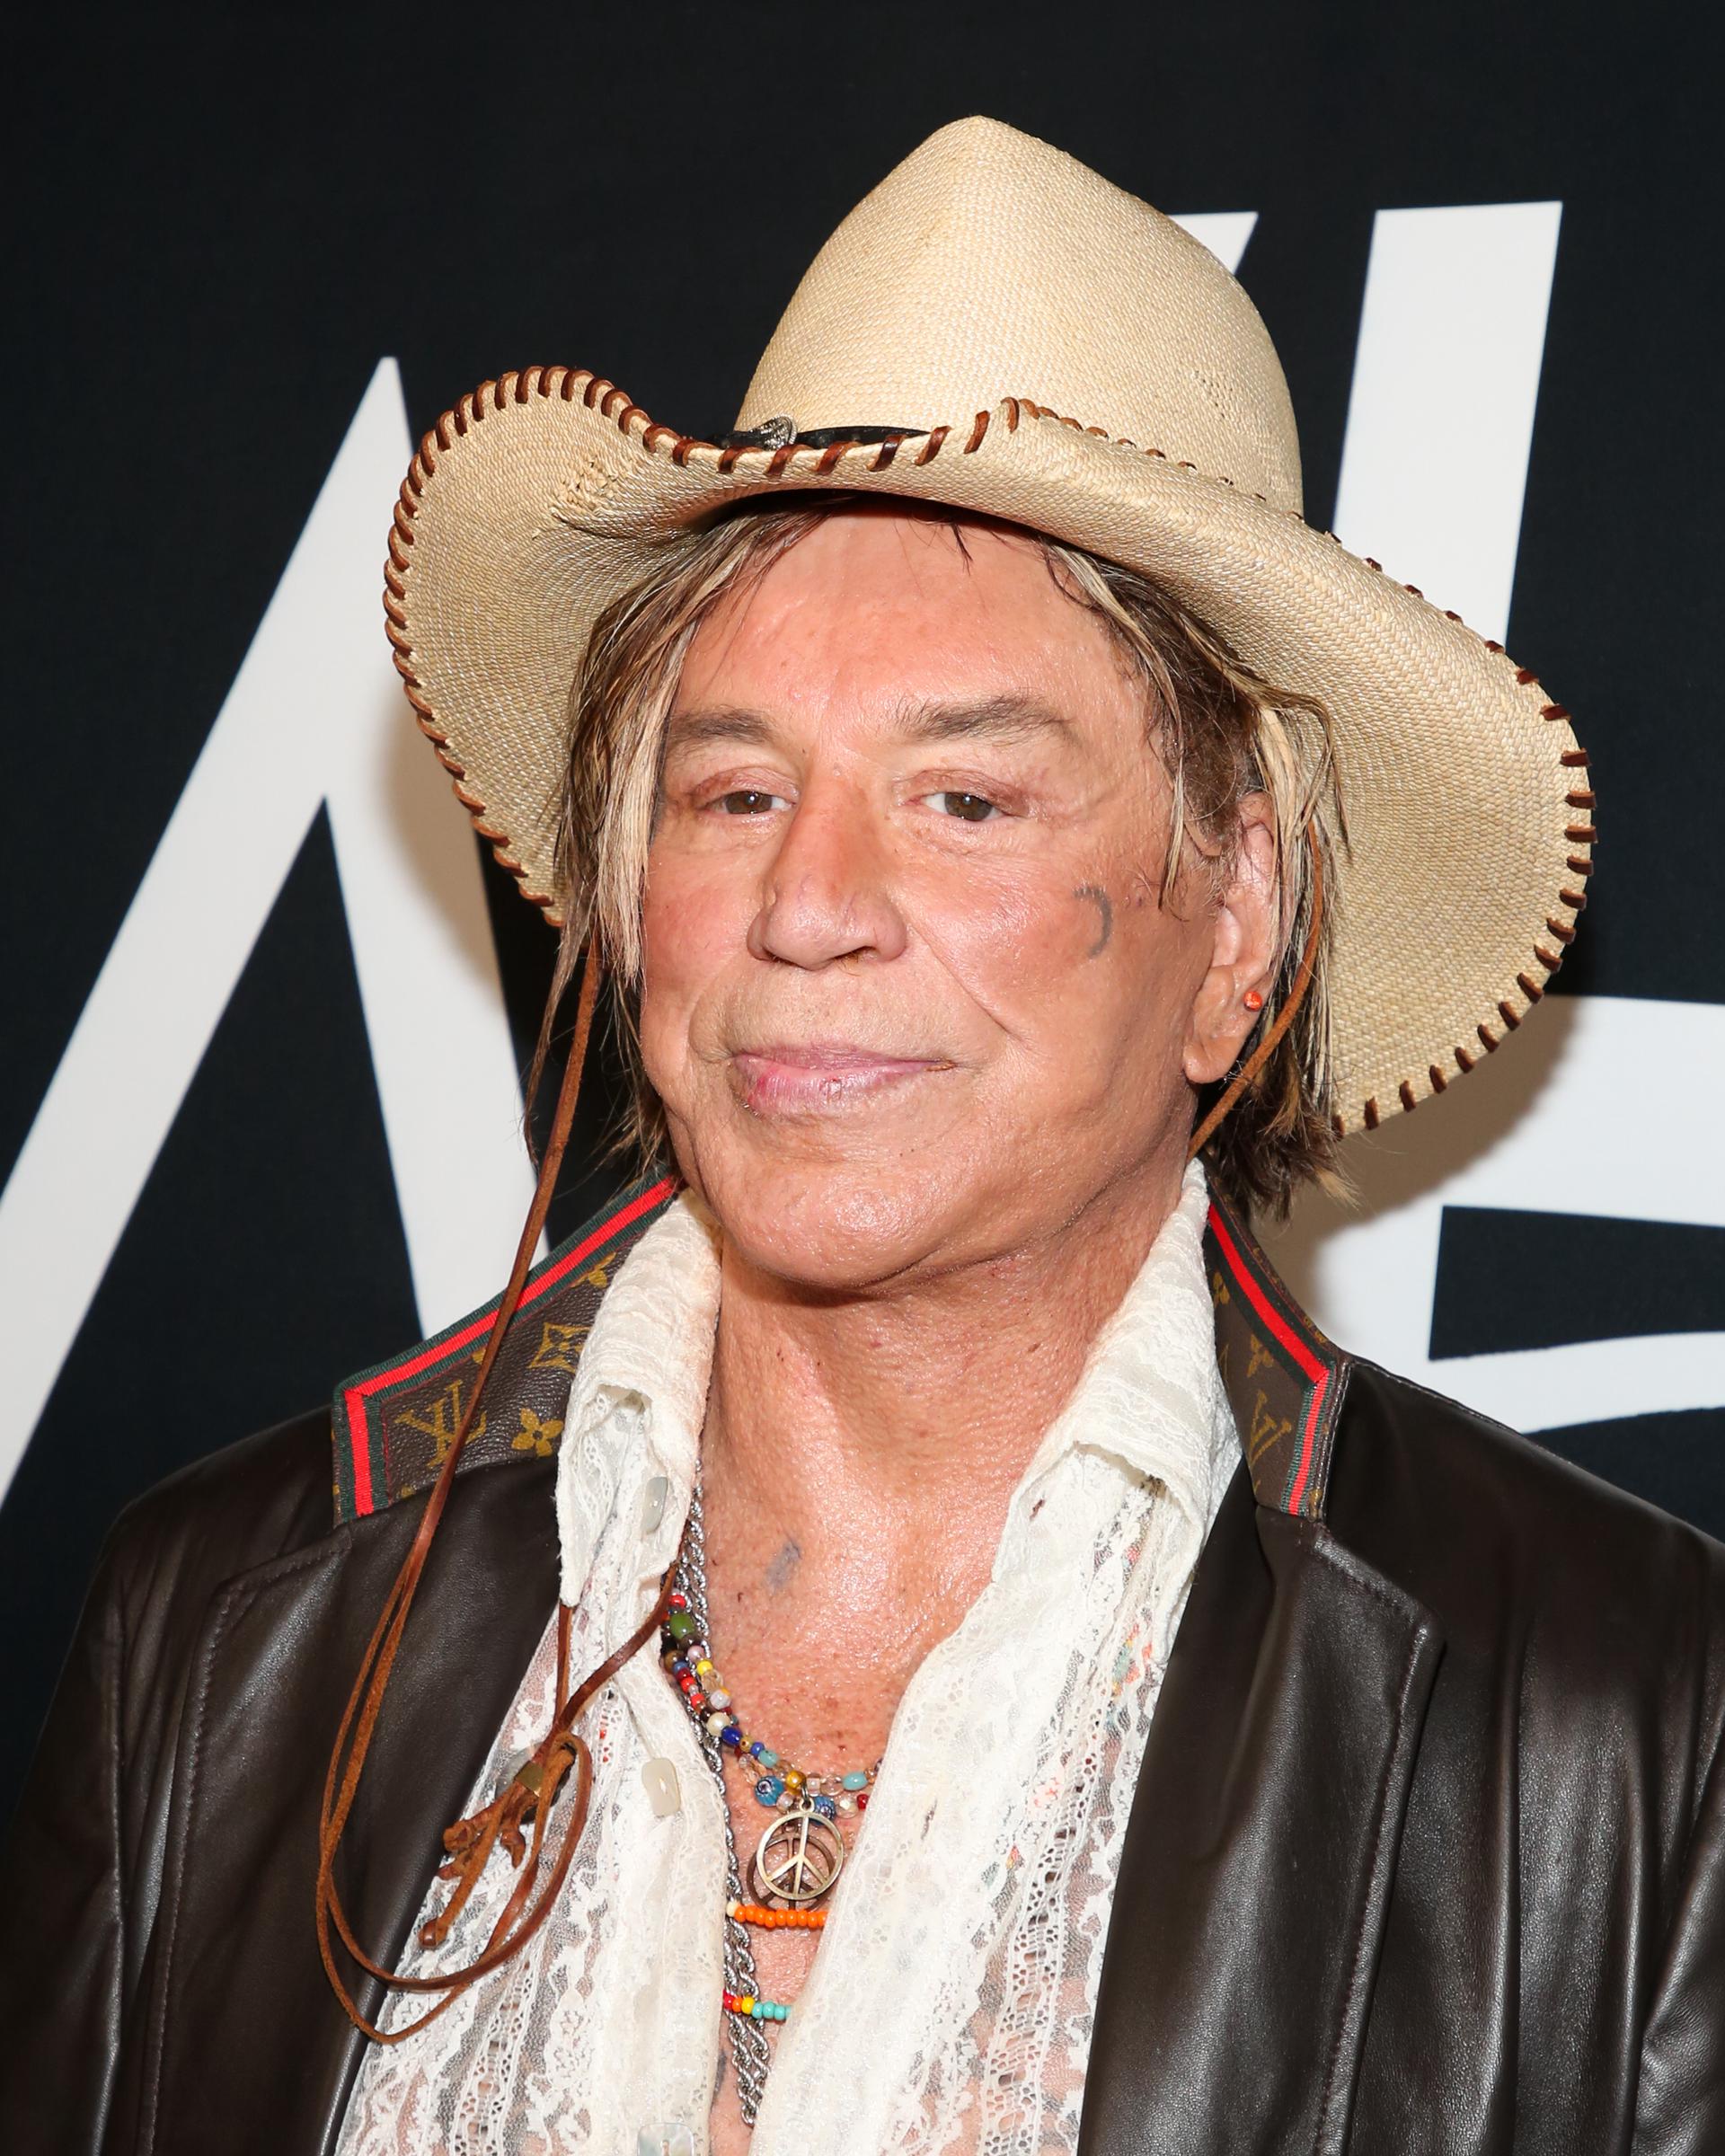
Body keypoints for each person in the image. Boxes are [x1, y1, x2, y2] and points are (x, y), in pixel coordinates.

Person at [3, 116, 1720, 2156]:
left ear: (1233, 925)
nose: (807, 906)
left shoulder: (1620, 1732)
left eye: (966, 801)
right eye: (733, 797)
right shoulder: (222, 1629)